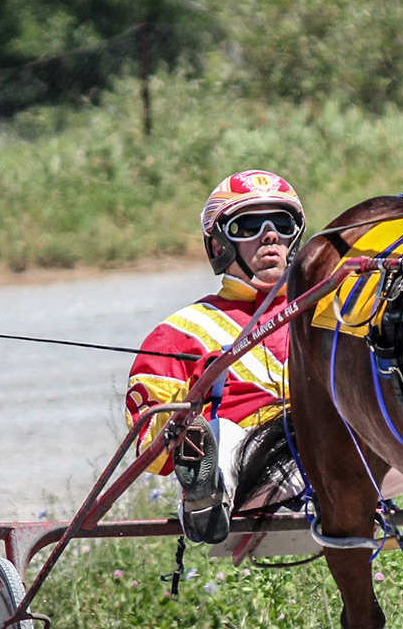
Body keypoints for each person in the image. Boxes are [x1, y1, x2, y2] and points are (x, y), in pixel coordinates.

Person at [126, 170, 306, 544]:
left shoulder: (325, 310)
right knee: (224, 436)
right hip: (250, 462)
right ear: (218, 245)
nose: (270, 235)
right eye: (249, 225)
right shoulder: (177, 332)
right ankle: (204, 499)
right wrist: (181, 436)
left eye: (282, 223)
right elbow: (149, 449)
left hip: (333, 449)